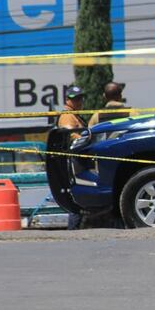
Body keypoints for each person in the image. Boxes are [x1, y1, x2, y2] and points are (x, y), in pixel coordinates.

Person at [57, 86, 86, 229]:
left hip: (75, 160)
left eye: (80, 98)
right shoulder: (68, 116)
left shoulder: (74, 115)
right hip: (72, 161)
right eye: (75, 99)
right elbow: (72, 135)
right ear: (67, 100)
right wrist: (86, 141)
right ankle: (72, 231)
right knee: (75, 198)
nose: (79, 101)